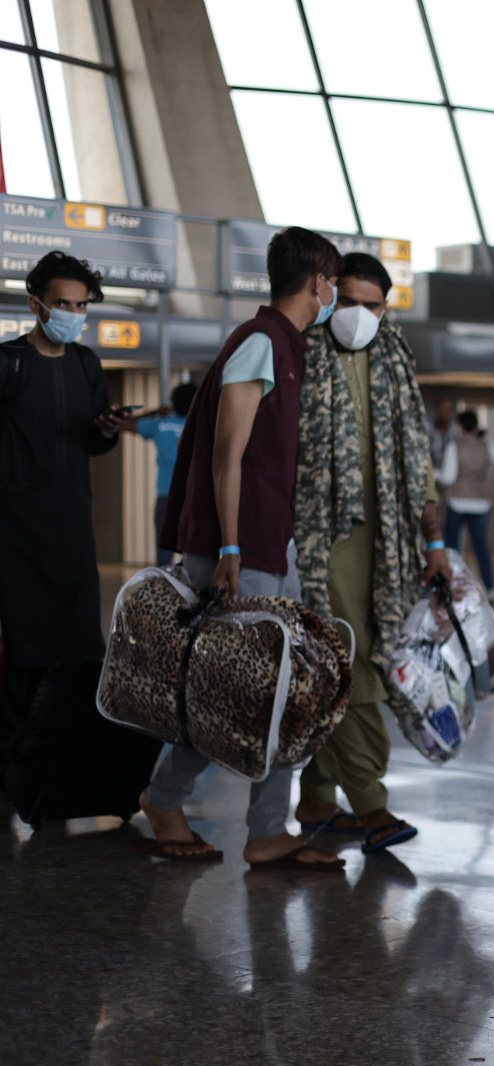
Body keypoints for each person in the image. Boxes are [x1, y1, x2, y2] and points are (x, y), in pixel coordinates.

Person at [145, 226, 345, 870]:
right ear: (317, 281)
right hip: (240, 549)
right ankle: (167, 799)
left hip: (268, 546)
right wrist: (229, 547)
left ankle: (264, 829)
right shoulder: (261, 341)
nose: (334, 295)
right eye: (333, 283)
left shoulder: (287, 345)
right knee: (236, 687)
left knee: (276, 689)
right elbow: (226, 454)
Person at [292, 251, 449, 856]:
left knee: (359, 662)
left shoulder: (395, 358)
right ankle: (371, 802)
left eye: (372, 305)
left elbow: (418, 457)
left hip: (389, 544)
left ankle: (316, 797)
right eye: (348, 302)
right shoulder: (302, 353)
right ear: (329, 295)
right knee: (347, 660)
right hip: (321, 540)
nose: (358, 315)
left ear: (387, 308)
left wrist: (434, 542)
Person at [0, 251, 125, 756]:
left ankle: (66, 762)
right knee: (23, 653)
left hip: (73, 528)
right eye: (63, 303)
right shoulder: (7, 362)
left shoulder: (86, 364)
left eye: (81, 305)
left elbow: (94, 443)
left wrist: (108, 430)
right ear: (36, 304)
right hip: (14, 531)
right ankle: (14, 764)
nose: (73, 313)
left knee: (78, 647)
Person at [440, 409, 494, 595]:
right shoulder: (485, 444)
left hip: (457, 502)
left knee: (453, 549)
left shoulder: (455, 445)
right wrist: (488, 440)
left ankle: (450, 586)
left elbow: (448, 476)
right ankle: (491, 587)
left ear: (460, 426)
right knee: (481, 548)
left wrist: (435, 476)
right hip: (481, 503)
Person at [128, 382, 197, 565]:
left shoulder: (160, 424)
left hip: (167, 494)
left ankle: (164, 581)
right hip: (195, 494)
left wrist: (154, 412)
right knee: (195, 550)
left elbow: (123, 423)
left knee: (164, 551)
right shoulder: (201, 425)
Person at [428, 399, 454, 471]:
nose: (443, 414)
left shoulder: (455, 433)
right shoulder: (426, 432)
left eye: (447, 411)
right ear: (434, 411)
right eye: (441, 410)